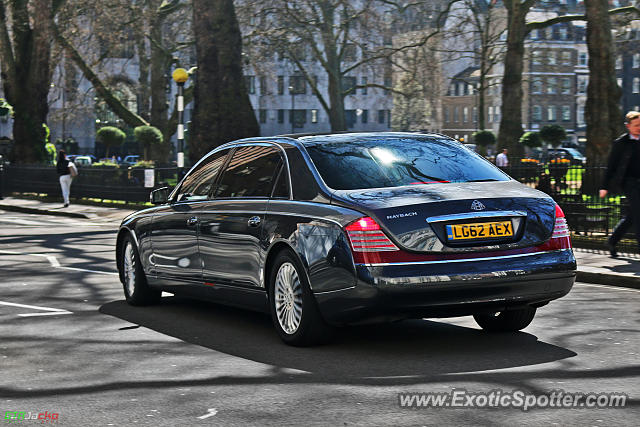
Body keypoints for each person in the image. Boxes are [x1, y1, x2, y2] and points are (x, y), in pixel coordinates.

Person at [599, 111, 640, 257]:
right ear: (628, 126)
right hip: (629, 183)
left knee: (632, 215)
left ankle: (612, 241)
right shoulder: (621, 143)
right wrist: (604, 186)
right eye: (636, 125)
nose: (639, 128)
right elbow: (611, 166)